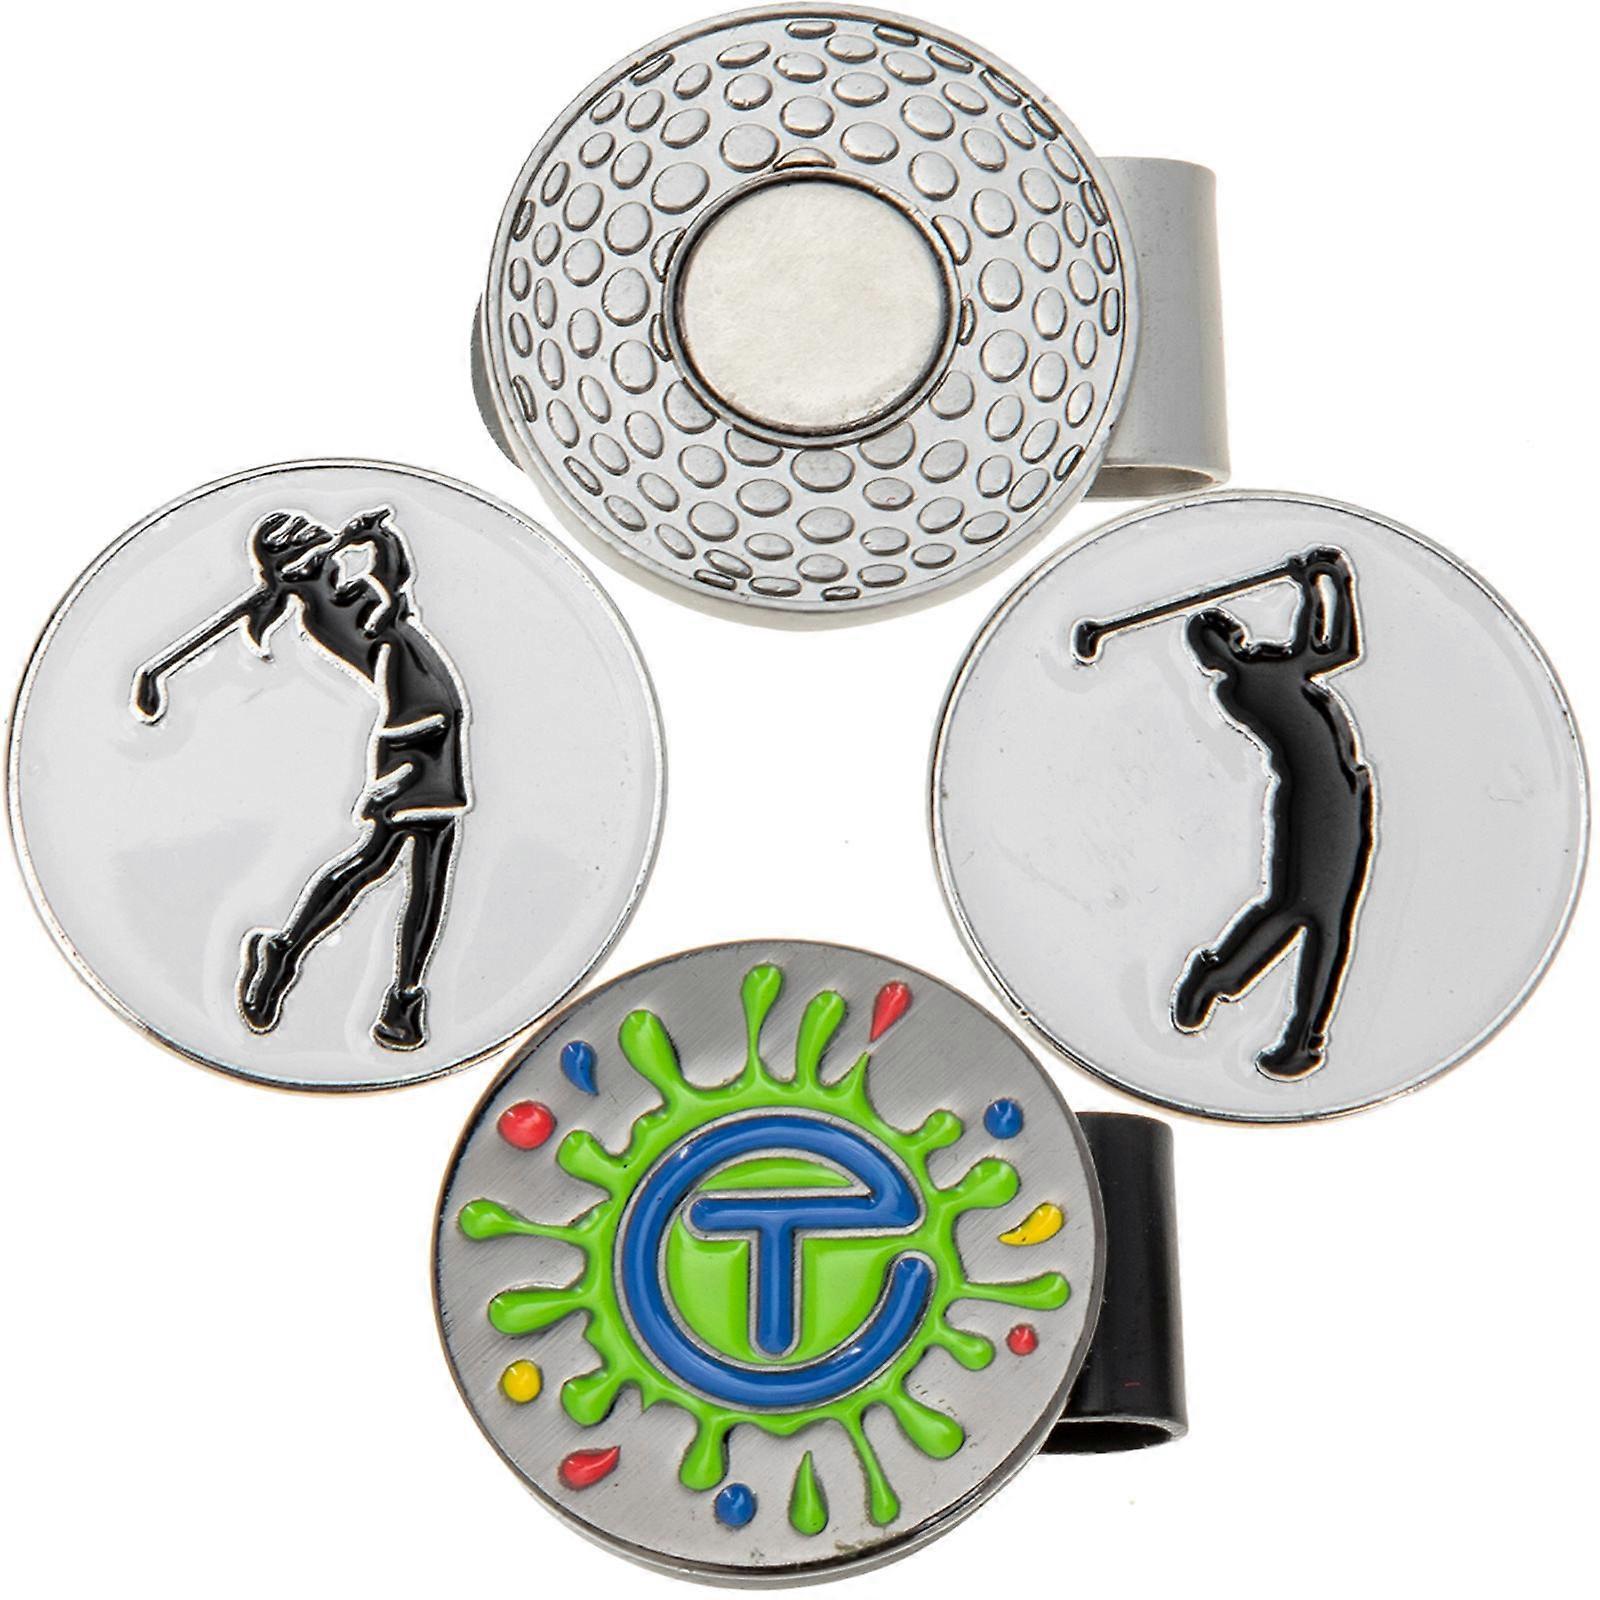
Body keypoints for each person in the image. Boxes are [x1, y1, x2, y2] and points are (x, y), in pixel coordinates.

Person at [133, 505, 470, 1051]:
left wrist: (381, 539)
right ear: (298, 569)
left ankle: (399, 1000)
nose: (333, 556)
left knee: (422, 873)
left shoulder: (346, 596)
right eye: (314, 548)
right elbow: (391, 608)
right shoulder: (329, 615)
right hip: (414, 738)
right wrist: (378, 543)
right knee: (379, 862)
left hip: (440, 740)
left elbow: (397, 585)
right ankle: (290, 952)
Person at [1170, 546, 1373, 1080]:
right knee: (1317, 918)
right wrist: (1322, 586)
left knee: (1304, 912)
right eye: (1222, 632)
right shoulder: (1253, 680)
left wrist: (1325, 585)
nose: (1235, 632)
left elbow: (1326, 649)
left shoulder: (1254, 676)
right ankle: (1295, 1032)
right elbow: (1330, 650)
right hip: (1322, 799)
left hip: (1334, 796)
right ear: (1219, 650)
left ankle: (1231, 984)